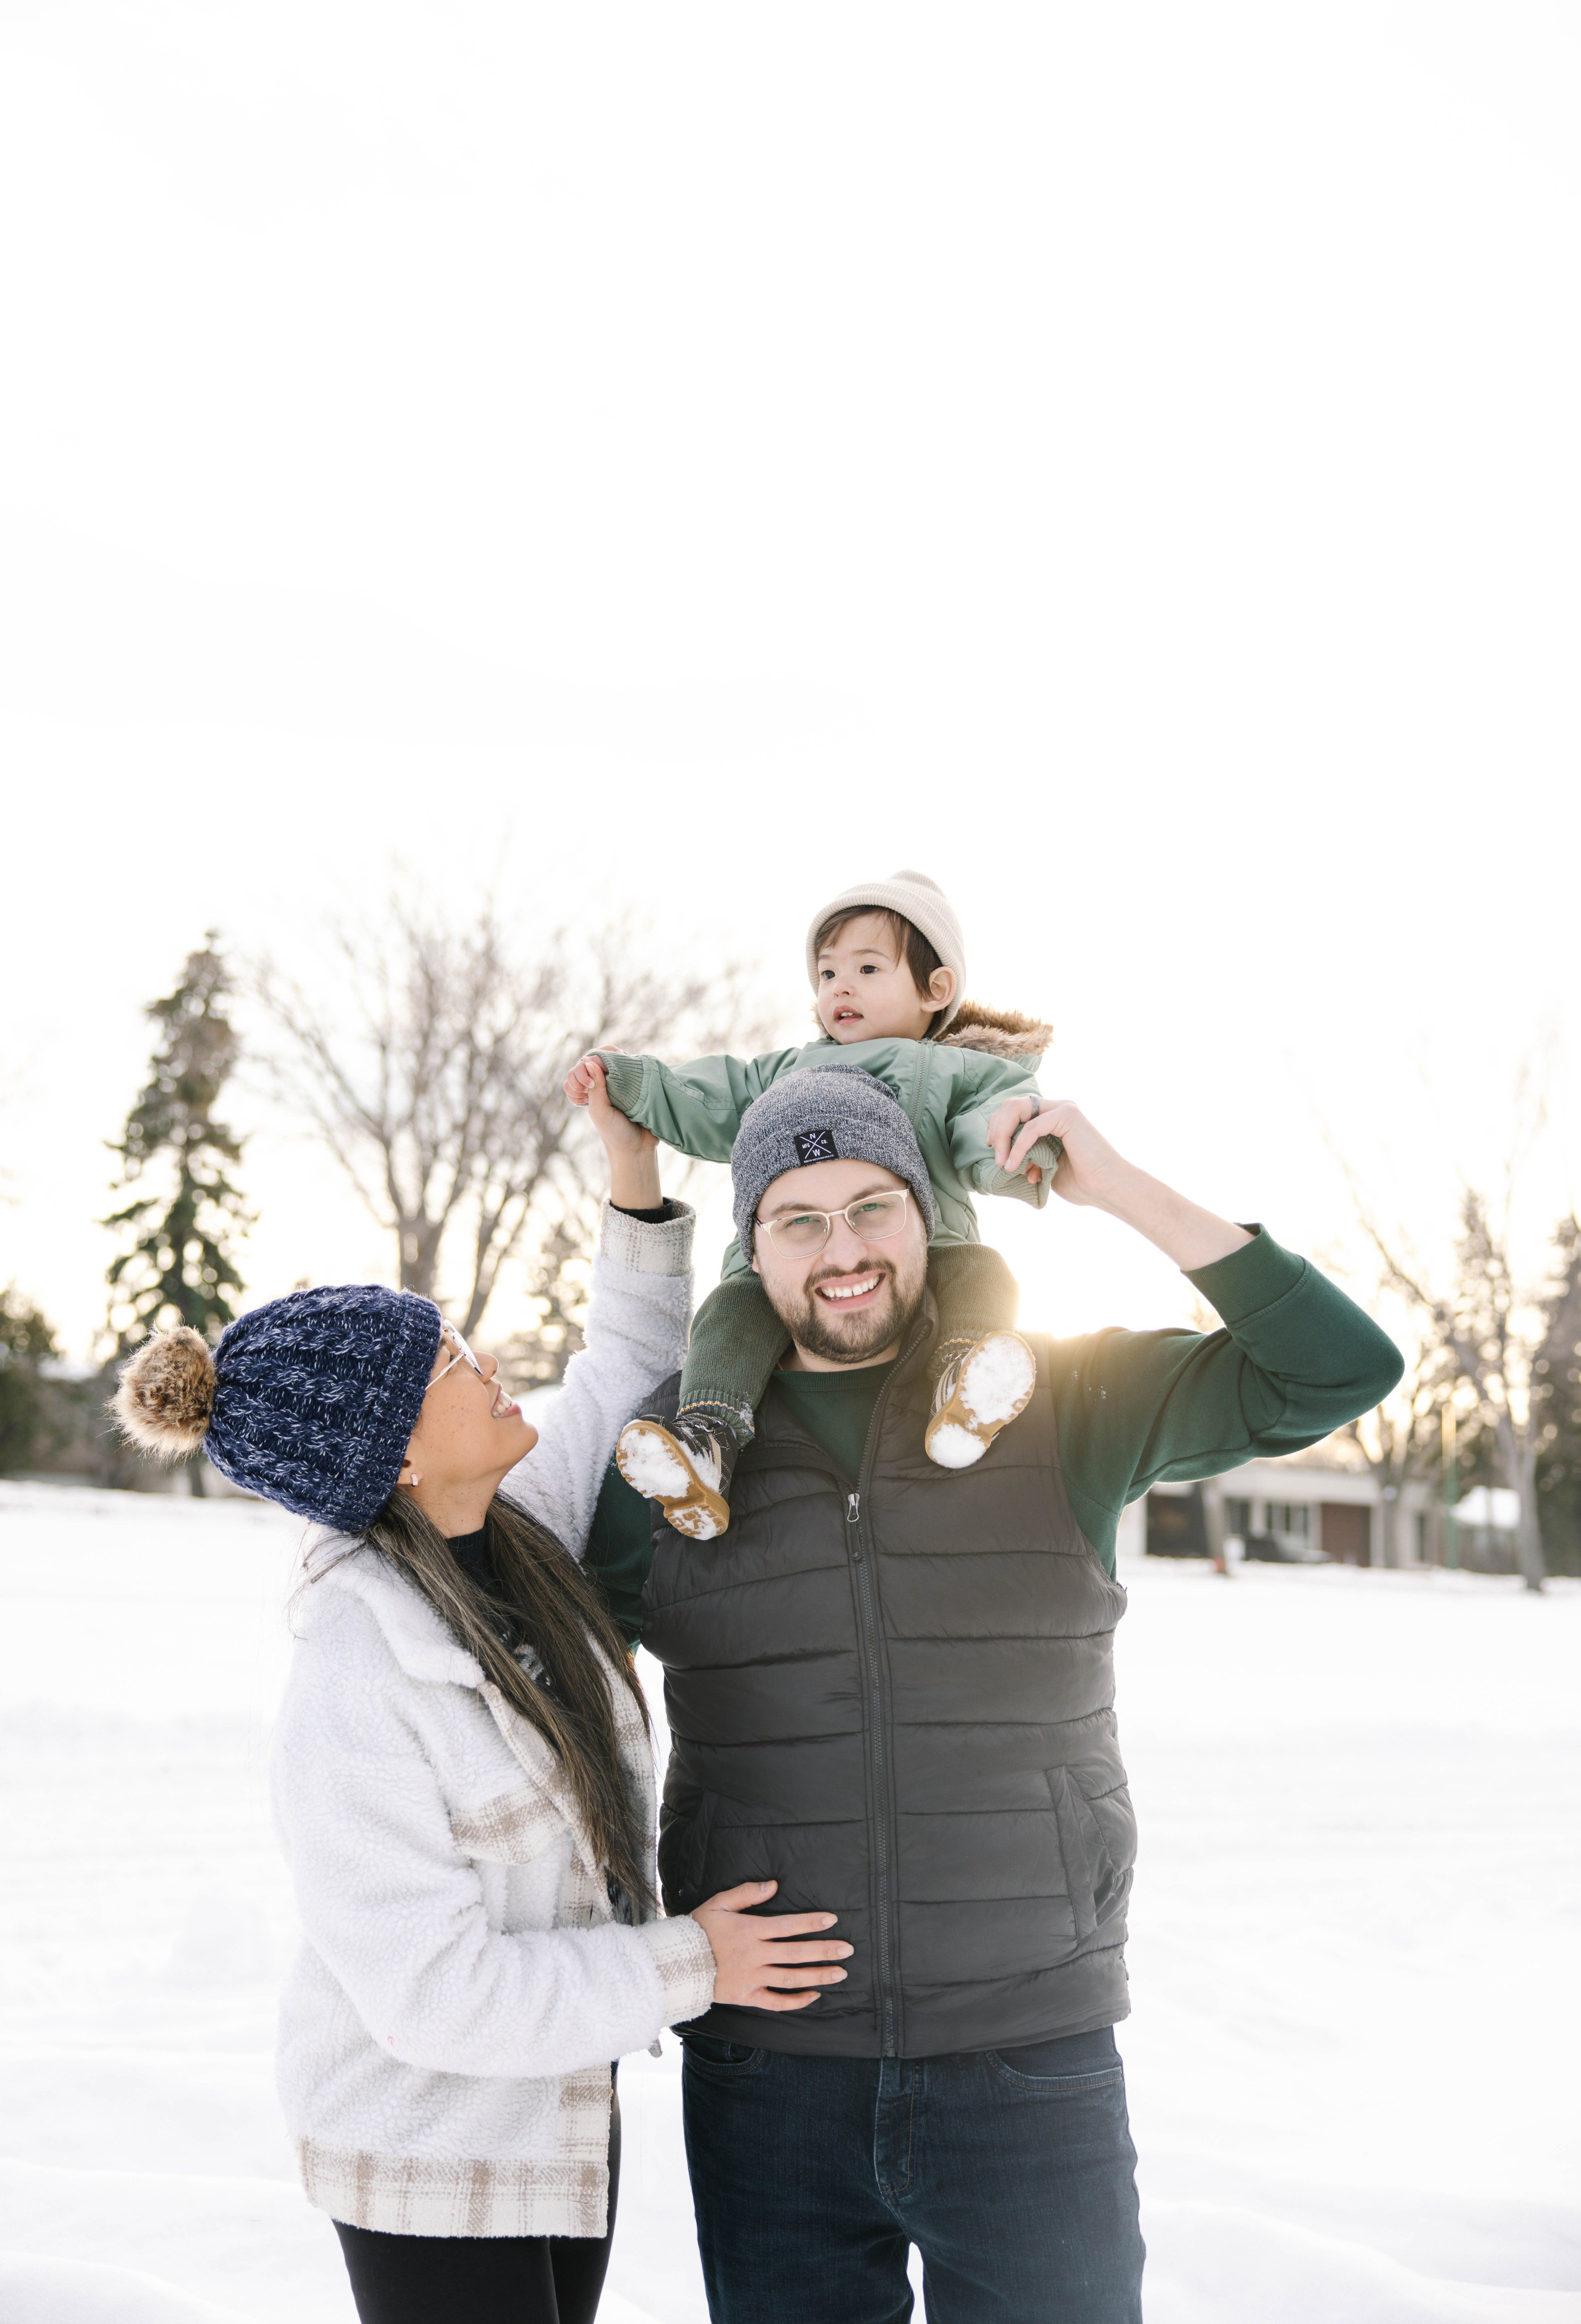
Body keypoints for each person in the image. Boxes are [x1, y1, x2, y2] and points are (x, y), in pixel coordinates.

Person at [585, 1067, 1406, 2323]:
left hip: (1027, 2062)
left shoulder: (1057, 1397)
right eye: (798, 1220)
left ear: (927, 1212)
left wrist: (1115, 1186)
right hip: (768, 2073)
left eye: (872, 1205)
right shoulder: (676, 1455)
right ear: (751, 1251)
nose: (844, 1249)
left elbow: (1333, 1369)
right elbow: (557, 1703)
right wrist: (647, 1956)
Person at [109, 1063, 853, 2324]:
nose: (492, 1356)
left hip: (561, 2113)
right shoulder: (355, 1684)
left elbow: (622, 1356)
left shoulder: (521, 1540)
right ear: (392, 1445)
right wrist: (691, 1961)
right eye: (454, 1357)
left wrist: (628, 1166)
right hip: (426, 2150)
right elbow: (436, 1996)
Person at [568, 867, 1064, 1541]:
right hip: (786, 1264)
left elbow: (989, 1125)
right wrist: (633, 1083)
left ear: (935, 988)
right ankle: (708, 1438)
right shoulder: (788, 1070)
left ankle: (967, 1380)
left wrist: (1022, 1147)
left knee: (983, 1272)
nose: (841, 988)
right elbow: (714, 1097)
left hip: (931, 1251)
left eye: (866, 967)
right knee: (731, 1308)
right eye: (827, 974)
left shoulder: (955, 1070)